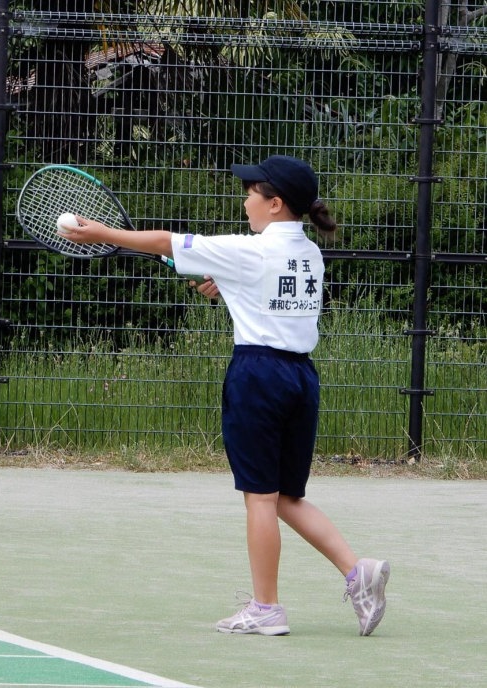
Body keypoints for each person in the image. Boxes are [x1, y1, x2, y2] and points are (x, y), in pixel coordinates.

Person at [56, 155, 389, 636]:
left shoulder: (246, 250)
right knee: (286, 497)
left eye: (252, 193)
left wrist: (102, 233)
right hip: (301, 378)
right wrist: (228, 286)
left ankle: (266, 608)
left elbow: (164, 242)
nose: (245, 200)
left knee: (260, 498)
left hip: (258, 377)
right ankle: (359, 572)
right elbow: (267, 295)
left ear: (275, 204)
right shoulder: (310, 255)